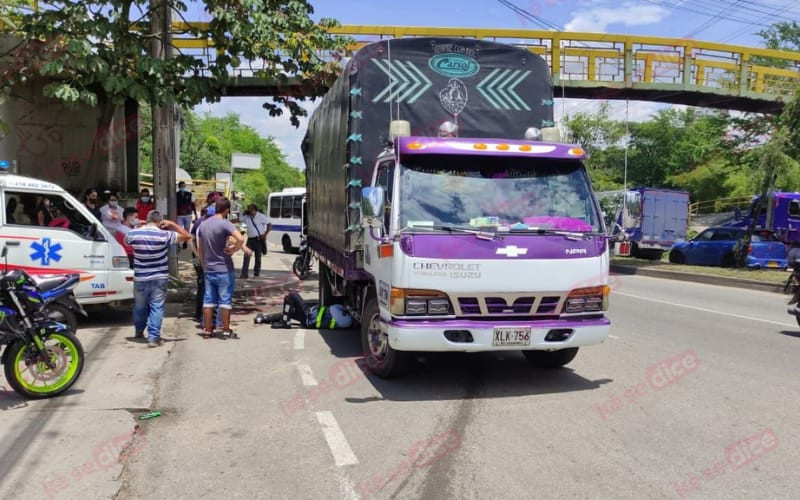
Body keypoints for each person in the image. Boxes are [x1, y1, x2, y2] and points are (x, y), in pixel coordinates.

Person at [125, 210, 191, 346]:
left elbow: (126, 241)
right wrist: (172, 224)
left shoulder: (134, 234)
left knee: (139, 306)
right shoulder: (165, 234)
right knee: (157, 307)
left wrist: (138, 226)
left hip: (140, 277)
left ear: (147, 219)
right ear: (160, 222)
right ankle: (153, 337)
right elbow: (187, 236)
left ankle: (139, 331)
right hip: (159, 277)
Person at [196, 198, 252, 339]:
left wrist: (204, 265)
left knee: (208, 301)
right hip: (224, 269)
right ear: (227, 210)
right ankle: (226, 329)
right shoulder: (225, 224)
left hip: (209, 269)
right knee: (225, 300)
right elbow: (240, 238)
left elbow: (200, 249)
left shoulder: (203, 225)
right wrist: (234, 249)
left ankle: (208, 330)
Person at [257, 291, 353, 329]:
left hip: (309, 316)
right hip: (310, 319)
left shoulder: (340, 312)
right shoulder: (347, 321)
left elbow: (334, 306)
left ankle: (285, 323)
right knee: (289, 312)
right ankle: (263, 318)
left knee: (291, 295)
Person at [241, 203, 270, 279]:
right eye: (248, 209)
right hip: (250, 239)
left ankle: (256, 273)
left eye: (250, 209)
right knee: (246, 256)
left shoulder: (261, 216)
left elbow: (269, 225)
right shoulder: (246, 217)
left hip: (259, 239)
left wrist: (265, 234)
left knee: (258, 258)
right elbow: (239, 221)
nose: (249, 211)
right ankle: (244, 273)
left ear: (254, 210)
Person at [176, 181, 196, 250]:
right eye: (181, 186)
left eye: (184, 186)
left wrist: (195, 214)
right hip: (179, 215)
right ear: (179, 187)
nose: (182, 187)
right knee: (179, 230)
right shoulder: (176, 195)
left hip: (188, 214)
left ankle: (185, 242)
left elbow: (193, 204)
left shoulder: (189, 194)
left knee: (186, 230)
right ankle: (178, 243)